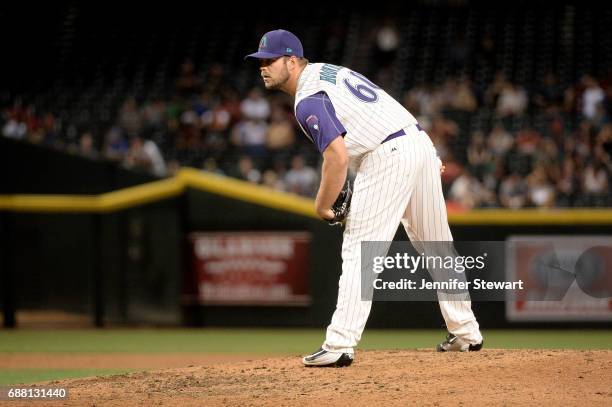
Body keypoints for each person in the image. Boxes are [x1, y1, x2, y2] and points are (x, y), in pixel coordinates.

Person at [245, 29, 483, 367]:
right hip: (417, 141)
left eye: (270, 60)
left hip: (388, 154)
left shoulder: (308, 96)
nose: (263, 67)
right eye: (260, 61)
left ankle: (340, 343)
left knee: (360, 248)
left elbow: (337, 157)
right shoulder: (329, 71)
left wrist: (322, 204)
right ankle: (466, 332)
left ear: (293, 60)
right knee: (437, 245)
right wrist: (421, 156)